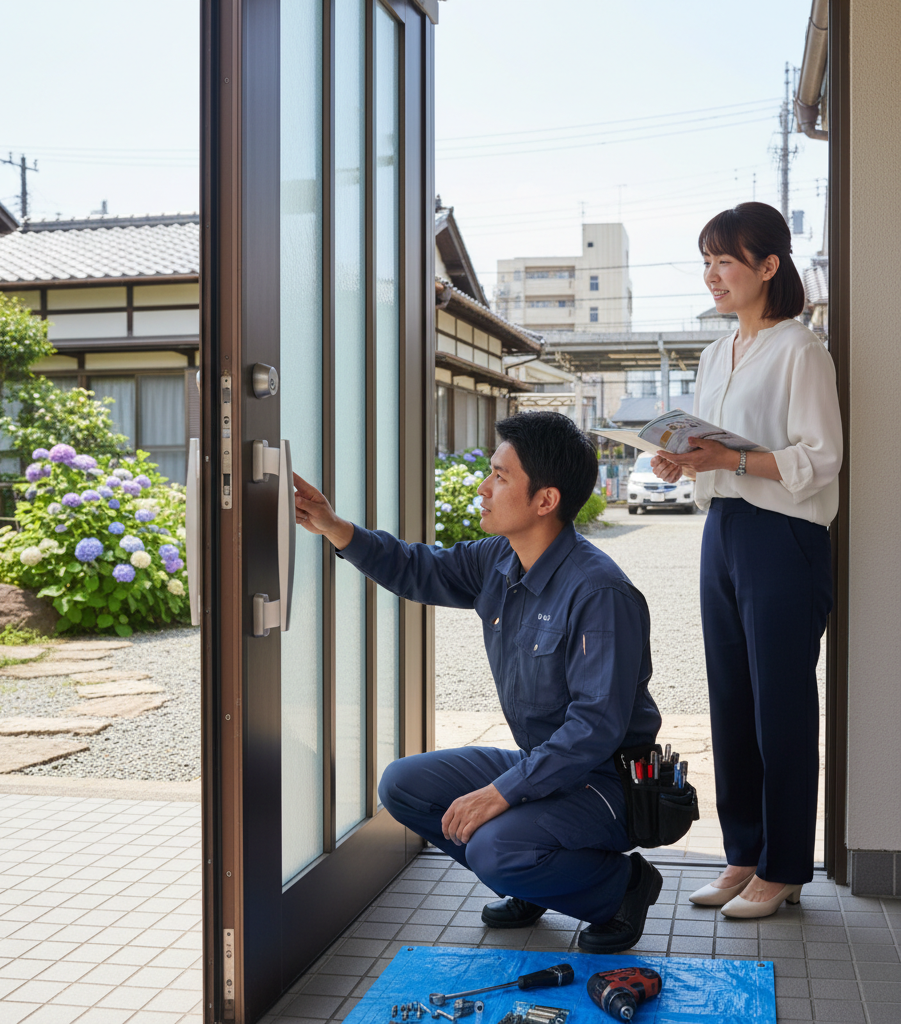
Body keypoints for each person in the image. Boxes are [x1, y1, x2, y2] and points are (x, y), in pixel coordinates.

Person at [294, 411, 664, 952]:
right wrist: (334, 527)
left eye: (500, 476)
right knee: (403, 784)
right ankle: (535, 879)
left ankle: (620, 888)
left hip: (605, 783)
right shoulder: (500, 558)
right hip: (543, 766)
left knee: (494, 846)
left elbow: (594, 730)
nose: (483, 487)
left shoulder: (599, 593)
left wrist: (501, 793)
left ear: (546, 500)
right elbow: (419, 568)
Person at [651, 202, 842, 919]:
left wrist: (727, 456)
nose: (712, 275)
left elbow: (822, 460)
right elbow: (720, 456)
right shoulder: (713, 352)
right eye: (706, 261)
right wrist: (685, 462)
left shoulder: (801, 349)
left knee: (781, 704)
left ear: (768, 266)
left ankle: (786, 866)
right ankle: (743, 855)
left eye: (724, 261)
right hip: (725, 528)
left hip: (784, 535)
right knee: (730, 697)